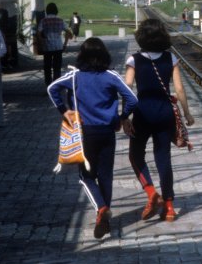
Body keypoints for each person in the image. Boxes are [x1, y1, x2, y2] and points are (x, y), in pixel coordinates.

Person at [48, 38, 138, 239]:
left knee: (86, 176)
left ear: (82, 56)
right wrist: (123, 117)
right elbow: (132, 99)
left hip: (85, 133)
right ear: (105, 55)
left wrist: (64, 111)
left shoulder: (75, 77)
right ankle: (104, 217)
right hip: (107, 132)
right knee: (106, 175)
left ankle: (101, 208)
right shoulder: (111, 76)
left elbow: (52, 88)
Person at [124, 18, 195, 222]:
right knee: (163, 158)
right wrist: (187, 113)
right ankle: (170, 207)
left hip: (142, 112)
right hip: (164, 112)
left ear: (141, 36)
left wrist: (125, 116)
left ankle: (151, 193)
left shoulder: (134, 60)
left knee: (135, 155)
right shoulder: (170, 58)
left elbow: (127, 87)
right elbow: (179, 89)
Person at [37, 3, 66, 85]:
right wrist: (65, 43)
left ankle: (48, 85)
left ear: (47, 10)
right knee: (57, 67)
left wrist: (41, 42)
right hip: (58, 46)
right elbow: (68, 31)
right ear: (56, 10)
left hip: (47, 46)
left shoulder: (43, 20)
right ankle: (56, 84)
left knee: (47, 67)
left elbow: (38, 33)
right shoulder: (60, 20)